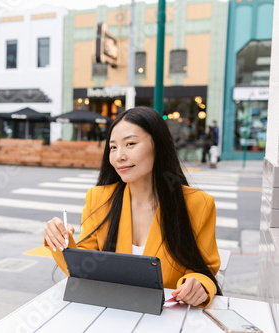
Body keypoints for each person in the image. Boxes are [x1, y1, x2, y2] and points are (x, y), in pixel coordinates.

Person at [44, 106, 221, 307]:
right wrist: (59, 240)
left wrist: (199, 285)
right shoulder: (99, 198)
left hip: (168, 319)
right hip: (110, 314)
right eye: (112, 147)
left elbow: (206, 269)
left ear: (159, 145)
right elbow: (84, 268)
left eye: (130, 144)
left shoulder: (198, 204)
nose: (119, 156)